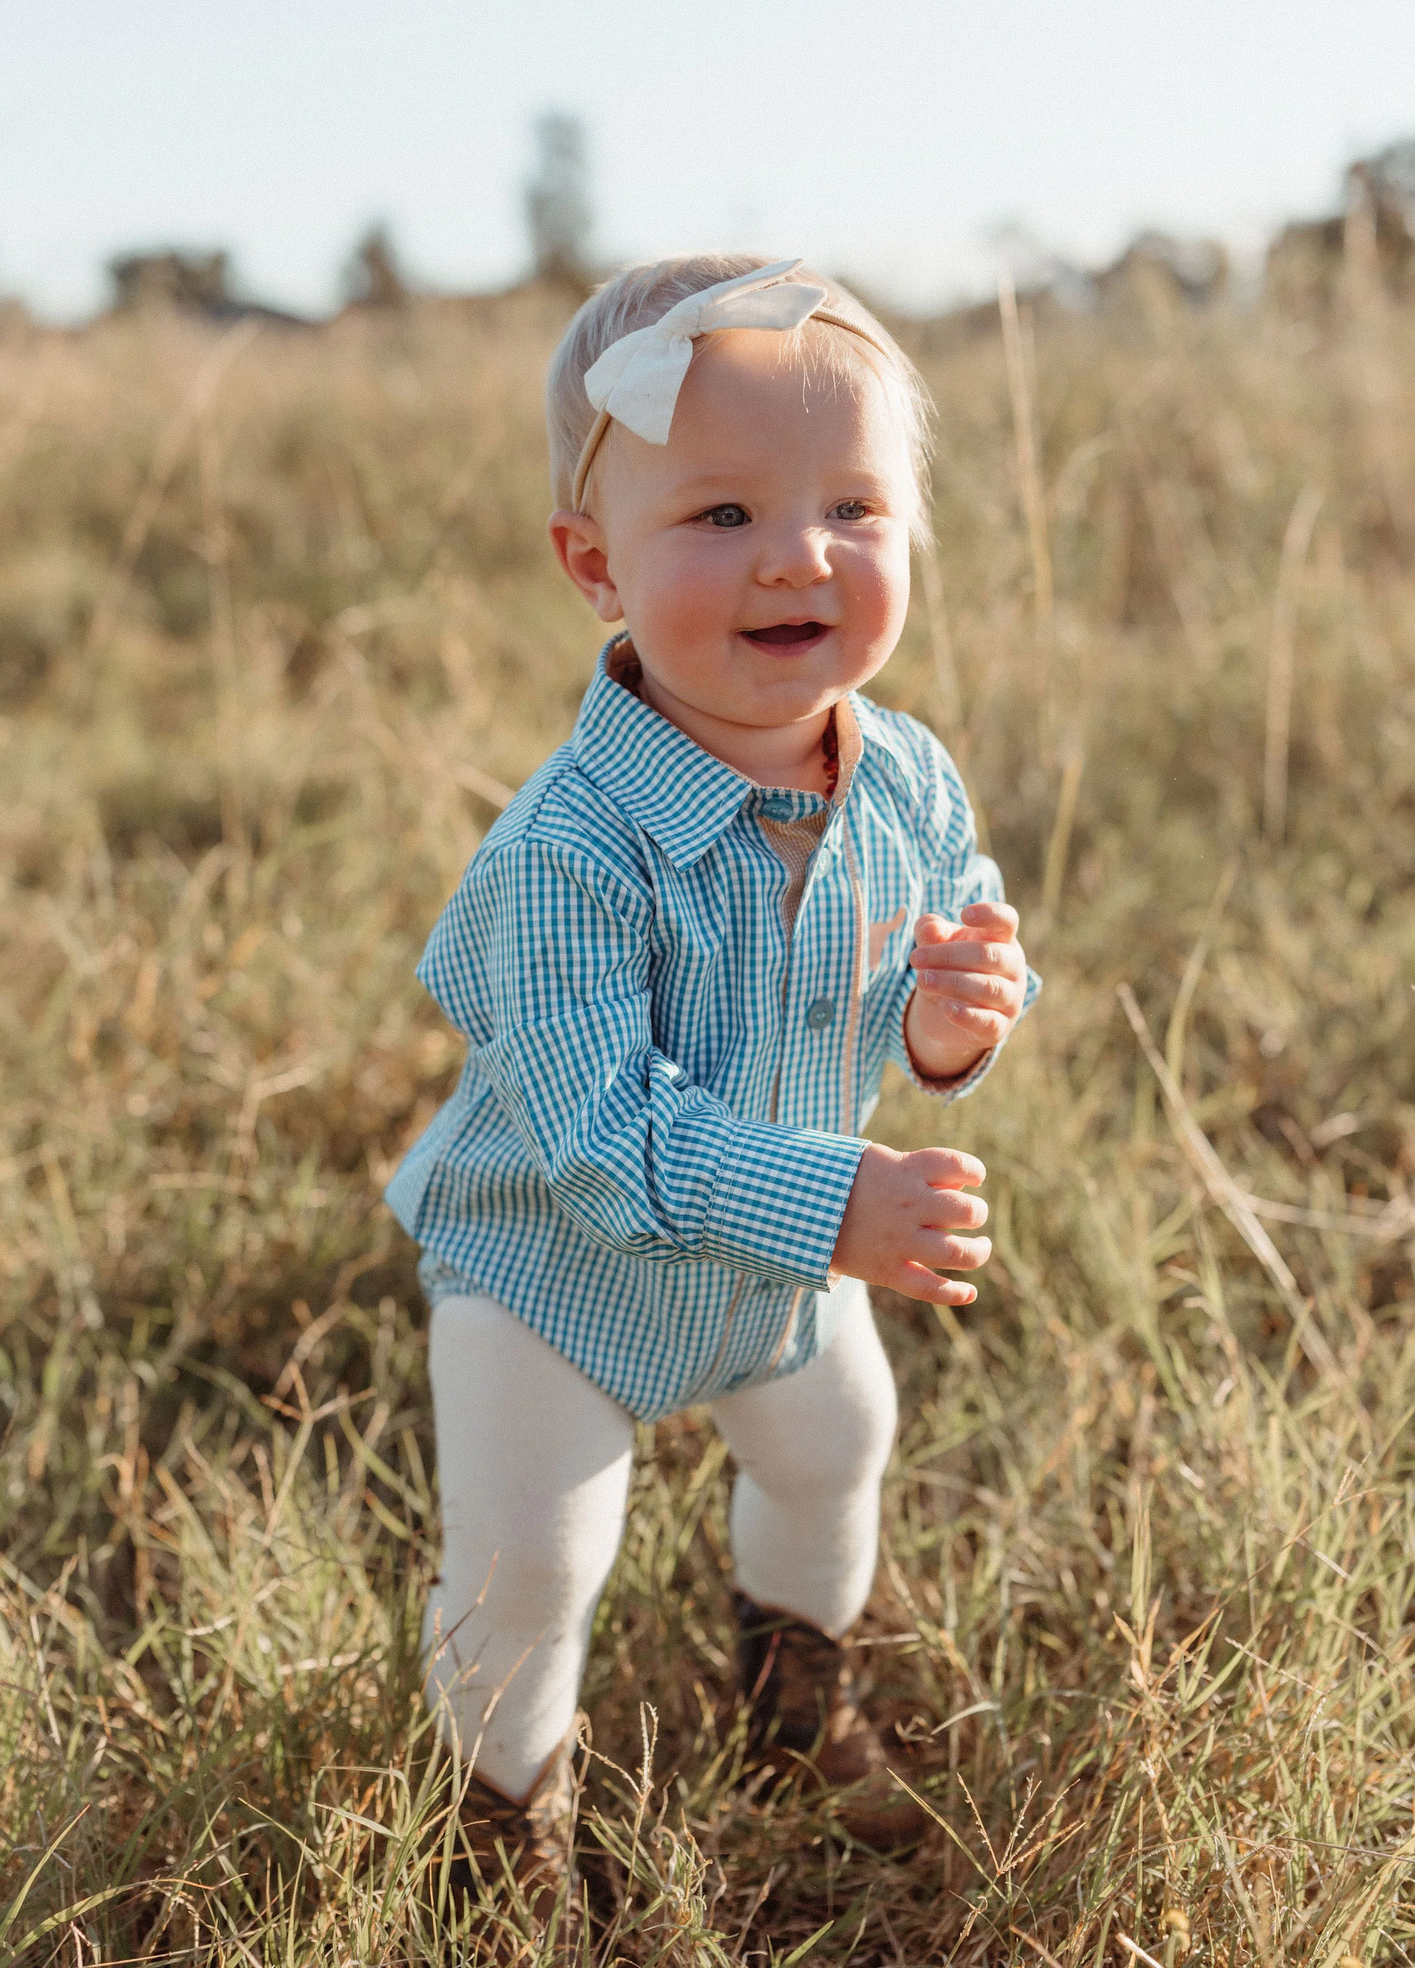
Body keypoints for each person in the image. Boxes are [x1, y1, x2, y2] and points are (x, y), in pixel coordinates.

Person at [385, 255, 1038, 1930]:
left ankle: (792, 1708)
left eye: (853, 506)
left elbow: (904, 984)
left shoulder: (905, 778)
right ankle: (496, 1828)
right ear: (594, 567)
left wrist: (955, 1020)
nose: (797, 555)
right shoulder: (564, 856)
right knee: (538, 1558)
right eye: (724, 512)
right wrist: (843, 1205)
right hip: (554, 1272)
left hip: (770, 1268)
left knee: (842, 1441)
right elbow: (602, 1144)